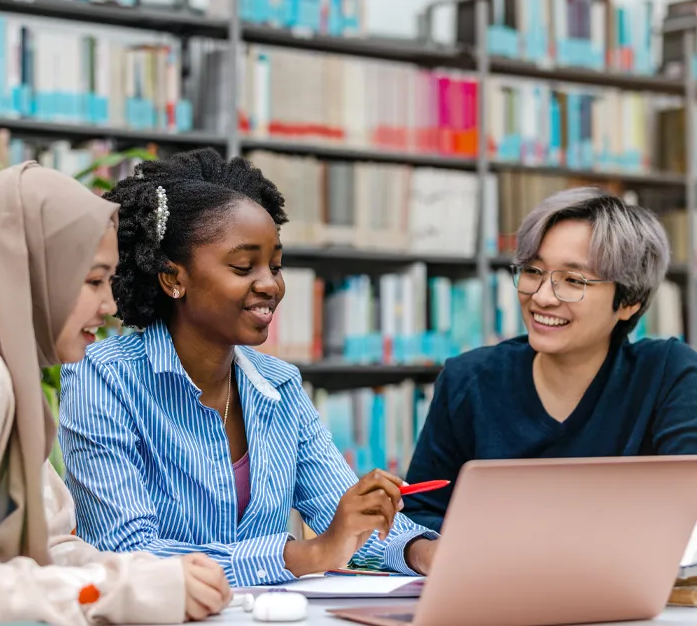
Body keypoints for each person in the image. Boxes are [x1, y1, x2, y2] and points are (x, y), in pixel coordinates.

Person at [58, 148, 438, 588]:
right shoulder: (102, 377)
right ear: (172, 278)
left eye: (276, 266)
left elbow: (344, 521)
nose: (270, 285)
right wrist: (306, 553)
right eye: (243, 267)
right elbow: (127, 552)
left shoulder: (280, 385)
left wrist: (423, 551)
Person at [0, 161, 231, 625]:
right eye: (93, 280)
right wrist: (125, 590)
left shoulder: (16, 384)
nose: (110, 305)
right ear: (32, 273)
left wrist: (150, 575)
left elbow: (53, 547)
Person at [402, 186, 697, 533]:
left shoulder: (667, 374)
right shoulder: (467, 378)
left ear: (629, 301)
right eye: (532, 271)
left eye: (573, 280)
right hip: (496, 582)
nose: (541, 297)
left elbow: (688, 509)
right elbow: (419, 513)